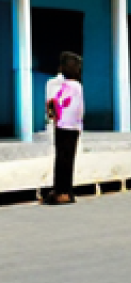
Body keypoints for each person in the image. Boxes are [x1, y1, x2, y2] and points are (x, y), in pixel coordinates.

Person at [43, 52, 84, 205]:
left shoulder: (56, 84)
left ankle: (60, 192)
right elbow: (80, 109)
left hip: (61, 126)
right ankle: (66, 192)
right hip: (73, 127)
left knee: (61, 159)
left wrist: (52, 118)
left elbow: (51, 104)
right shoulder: (77, 86)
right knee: (68, 159)